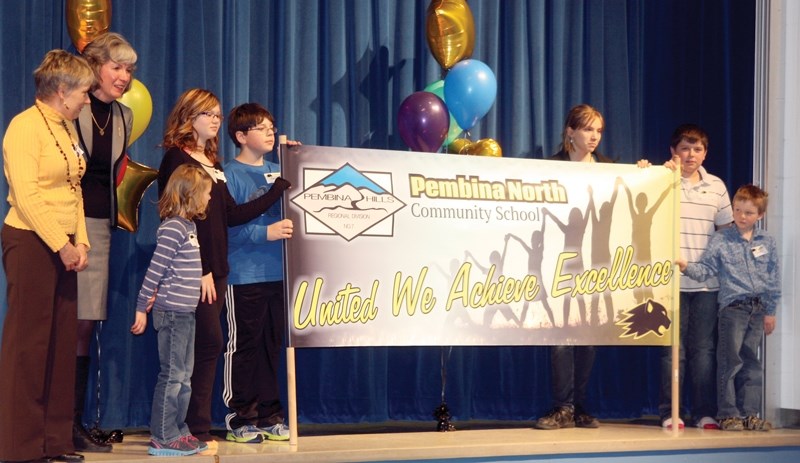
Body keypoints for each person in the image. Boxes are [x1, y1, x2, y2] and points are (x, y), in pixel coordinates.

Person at [157, 89, 290, 448]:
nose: (215, 120)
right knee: (191, 352)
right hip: (194, 271)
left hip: (217, 269)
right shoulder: (177, 158)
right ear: (189, 117)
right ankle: (178, 429)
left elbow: (231, 214)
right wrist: (198, 267)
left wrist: (279, 186)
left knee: (207, 349)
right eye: (208, 114)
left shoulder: (212, 163)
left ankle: (196, 427)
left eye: (217, 114)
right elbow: (178, 214)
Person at [0, 49, 93, 463]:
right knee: (29, 344)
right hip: (31, 242)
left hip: (65, 245)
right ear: (61, 90)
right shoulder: (24, 127)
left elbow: (74, 189)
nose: (88, 100)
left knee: (60, 343)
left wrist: (83, 241)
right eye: (85, 92)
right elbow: (27, 194)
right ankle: (20, 447)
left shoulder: (67, 127)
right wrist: (62, 243)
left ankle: (55, 442)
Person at [72, 32, 138, 452]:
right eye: (117, 67)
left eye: (129, 70)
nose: (124, 76)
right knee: (66, 322)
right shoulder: (69, 108)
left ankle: (72, 422)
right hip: (66, 223)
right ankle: (53, 420)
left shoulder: (124, 117)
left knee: (87, 322)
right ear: (96, 65)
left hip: (100, 225)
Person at [677, 184, 780, 432]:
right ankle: (728, 413)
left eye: (748, 213)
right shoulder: (721, 238)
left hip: (757, 310)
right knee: (729, 361)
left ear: (760, 216)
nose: (742, 217)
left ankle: (749, 413)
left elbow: (772, 276)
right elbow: (707, 268)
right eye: (737, 210)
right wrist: (685, 266)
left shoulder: (767, 241)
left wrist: (770, 310)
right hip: (733, 309)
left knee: (751, 363)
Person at [222, 103, 294, 443]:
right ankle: (240, 418)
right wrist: (265, 233)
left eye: (271, 125)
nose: (269, 131)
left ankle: (270, 415)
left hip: (279, 274)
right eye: (260, 127)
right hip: (244, 276)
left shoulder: (280, 170)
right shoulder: (228, 174)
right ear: (240, 136)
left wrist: (299, 158)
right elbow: (226, 226)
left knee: (272, 345)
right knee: (244, 347)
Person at [534, 104, 608, 430]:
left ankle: (578, 406)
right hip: (557, 262)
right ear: (570, 132)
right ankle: (561, 407)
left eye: (598, 131)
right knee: (561, 336)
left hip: (596, 263)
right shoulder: (551, 168)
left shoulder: (609, 168)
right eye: (588, 129)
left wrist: (647, 172)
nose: (594, 137)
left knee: (589, 338)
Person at [131, 164, 212, 456]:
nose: (209, 199)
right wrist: (142, 307)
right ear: (189, 194)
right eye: (206, 194)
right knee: (173, 375)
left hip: (185, 313)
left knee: (184, 375)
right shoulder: (173, 227)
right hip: (173, 314)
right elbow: (155, 271)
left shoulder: (189, 226)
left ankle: (178, 430)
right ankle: (163, 435)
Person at [659, 124, 732, 430]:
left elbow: (727, 233)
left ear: (705, 153)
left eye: (698, 149)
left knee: (704, 351)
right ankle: (669, 411)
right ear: (673, 151)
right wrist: (650, 173)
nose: (691, 155)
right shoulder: (659, 180)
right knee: (672, 351)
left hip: (705, 283)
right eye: (685, 148)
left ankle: (704, 411)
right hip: (666, 283)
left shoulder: (716, 186)